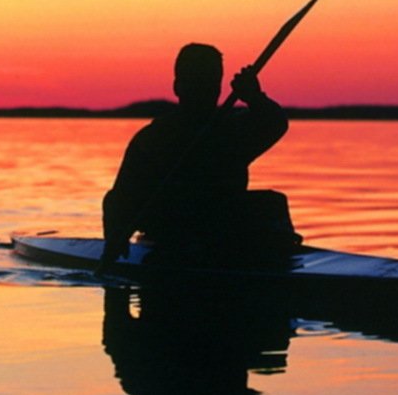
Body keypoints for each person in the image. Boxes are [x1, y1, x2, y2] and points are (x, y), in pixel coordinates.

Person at [100, 42, 300, 269]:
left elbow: (275, 124)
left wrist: (255, 97)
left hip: (222, 227)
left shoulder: (232, 130)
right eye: (196, 82)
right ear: (178, 87)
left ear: (218, 88)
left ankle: (278, 255)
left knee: (272, 202)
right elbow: (118, 199)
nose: (204, 90)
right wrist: (115, 238)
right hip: (174, 231)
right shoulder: (154, 139)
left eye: (210, 83)